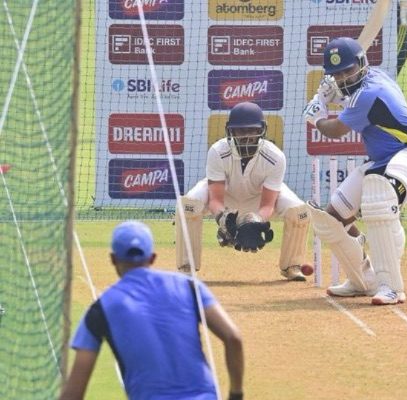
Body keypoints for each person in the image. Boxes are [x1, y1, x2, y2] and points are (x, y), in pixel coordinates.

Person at [303, 37, 407, 305]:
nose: (343, 78)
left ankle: (391, 287)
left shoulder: (369, 93)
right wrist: (335, 97)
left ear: (362, 64)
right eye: (337, 74)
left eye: (348, 70)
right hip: (384, 161)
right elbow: (350, 100)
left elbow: (335, 130)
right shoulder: (370, 80)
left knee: (379, 195)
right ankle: (362, 280)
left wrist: (316, 115)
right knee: (332, 218)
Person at [60, 221, 244, 400]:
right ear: (152, 257)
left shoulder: (100, 309)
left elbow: (74, 393)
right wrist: (236, 394)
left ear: (113, 259)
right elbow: (233, 337)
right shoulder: (189, 287)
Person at [175, 101, 311, 281]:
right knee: (187, 205)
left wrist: (256, 221)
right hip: (225, 198)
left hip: (258, 198)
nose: (246, 136)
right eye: (240, 131)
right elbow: (215, 199)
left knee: (299, 212)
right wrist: (223, 219)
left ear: (261, 130)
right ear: (230, 131)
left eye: (252, 130)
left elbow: (268, 204)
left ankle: (291, 266)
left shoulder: (275, 157)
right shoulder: (218, 151)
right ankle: (187, 266)